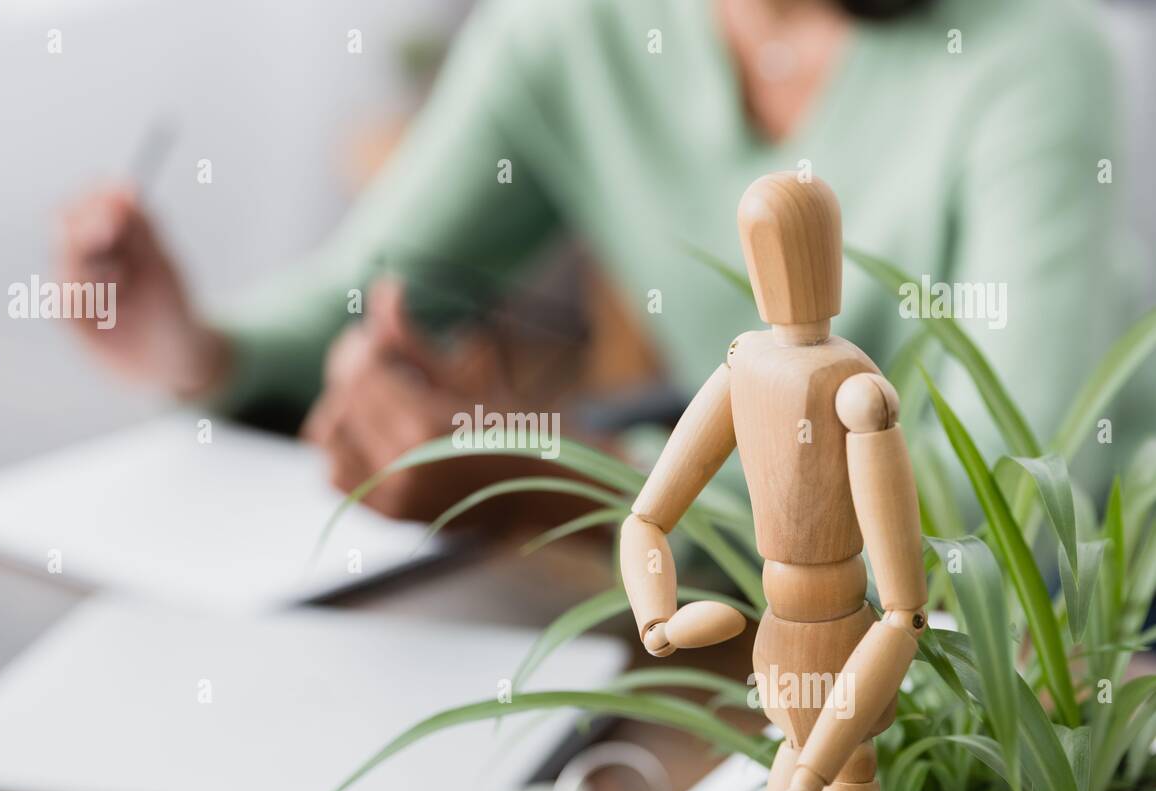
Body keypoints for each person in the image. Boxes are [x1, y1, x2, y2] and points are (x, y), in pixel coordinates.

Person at [58, 0, 1133, 523]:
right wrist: (189, 348)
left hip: (1085, 632)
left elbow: (1009, 523)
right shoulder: (577, 30)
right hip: (757, 607)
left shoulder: (1031, 59)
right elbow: (358, 296)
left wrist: (548, 478)